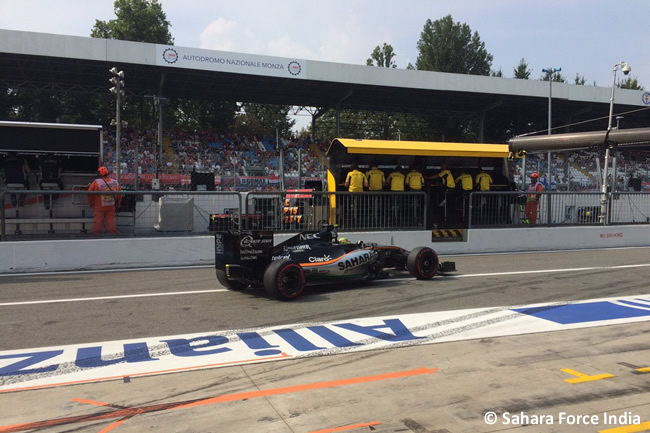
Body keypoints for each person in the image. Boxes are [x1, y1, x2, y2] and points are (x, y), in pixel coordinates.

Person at [87, 166, 122, 234]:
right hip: (111, 206)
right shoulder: (115, 182)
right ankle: (113, 236)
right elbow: (119, 195)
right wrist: (118, 204)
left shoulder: (96, 182)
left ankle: (97, 236)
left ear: (99, 174)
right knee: (111, 222)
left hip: (99, 207)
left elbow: (89, 193)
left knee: (98, 223)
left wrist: (90, 203)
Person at [343, 164, 367, 228]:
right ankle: (357, 217)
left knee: (350, 204)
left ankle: (352, 213)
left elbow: (346, 184)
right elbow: (366, 185)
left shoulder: (350, 174)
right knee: (359, 205)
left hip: (352, 192)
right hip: (360, 192)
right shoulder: (362, 174)